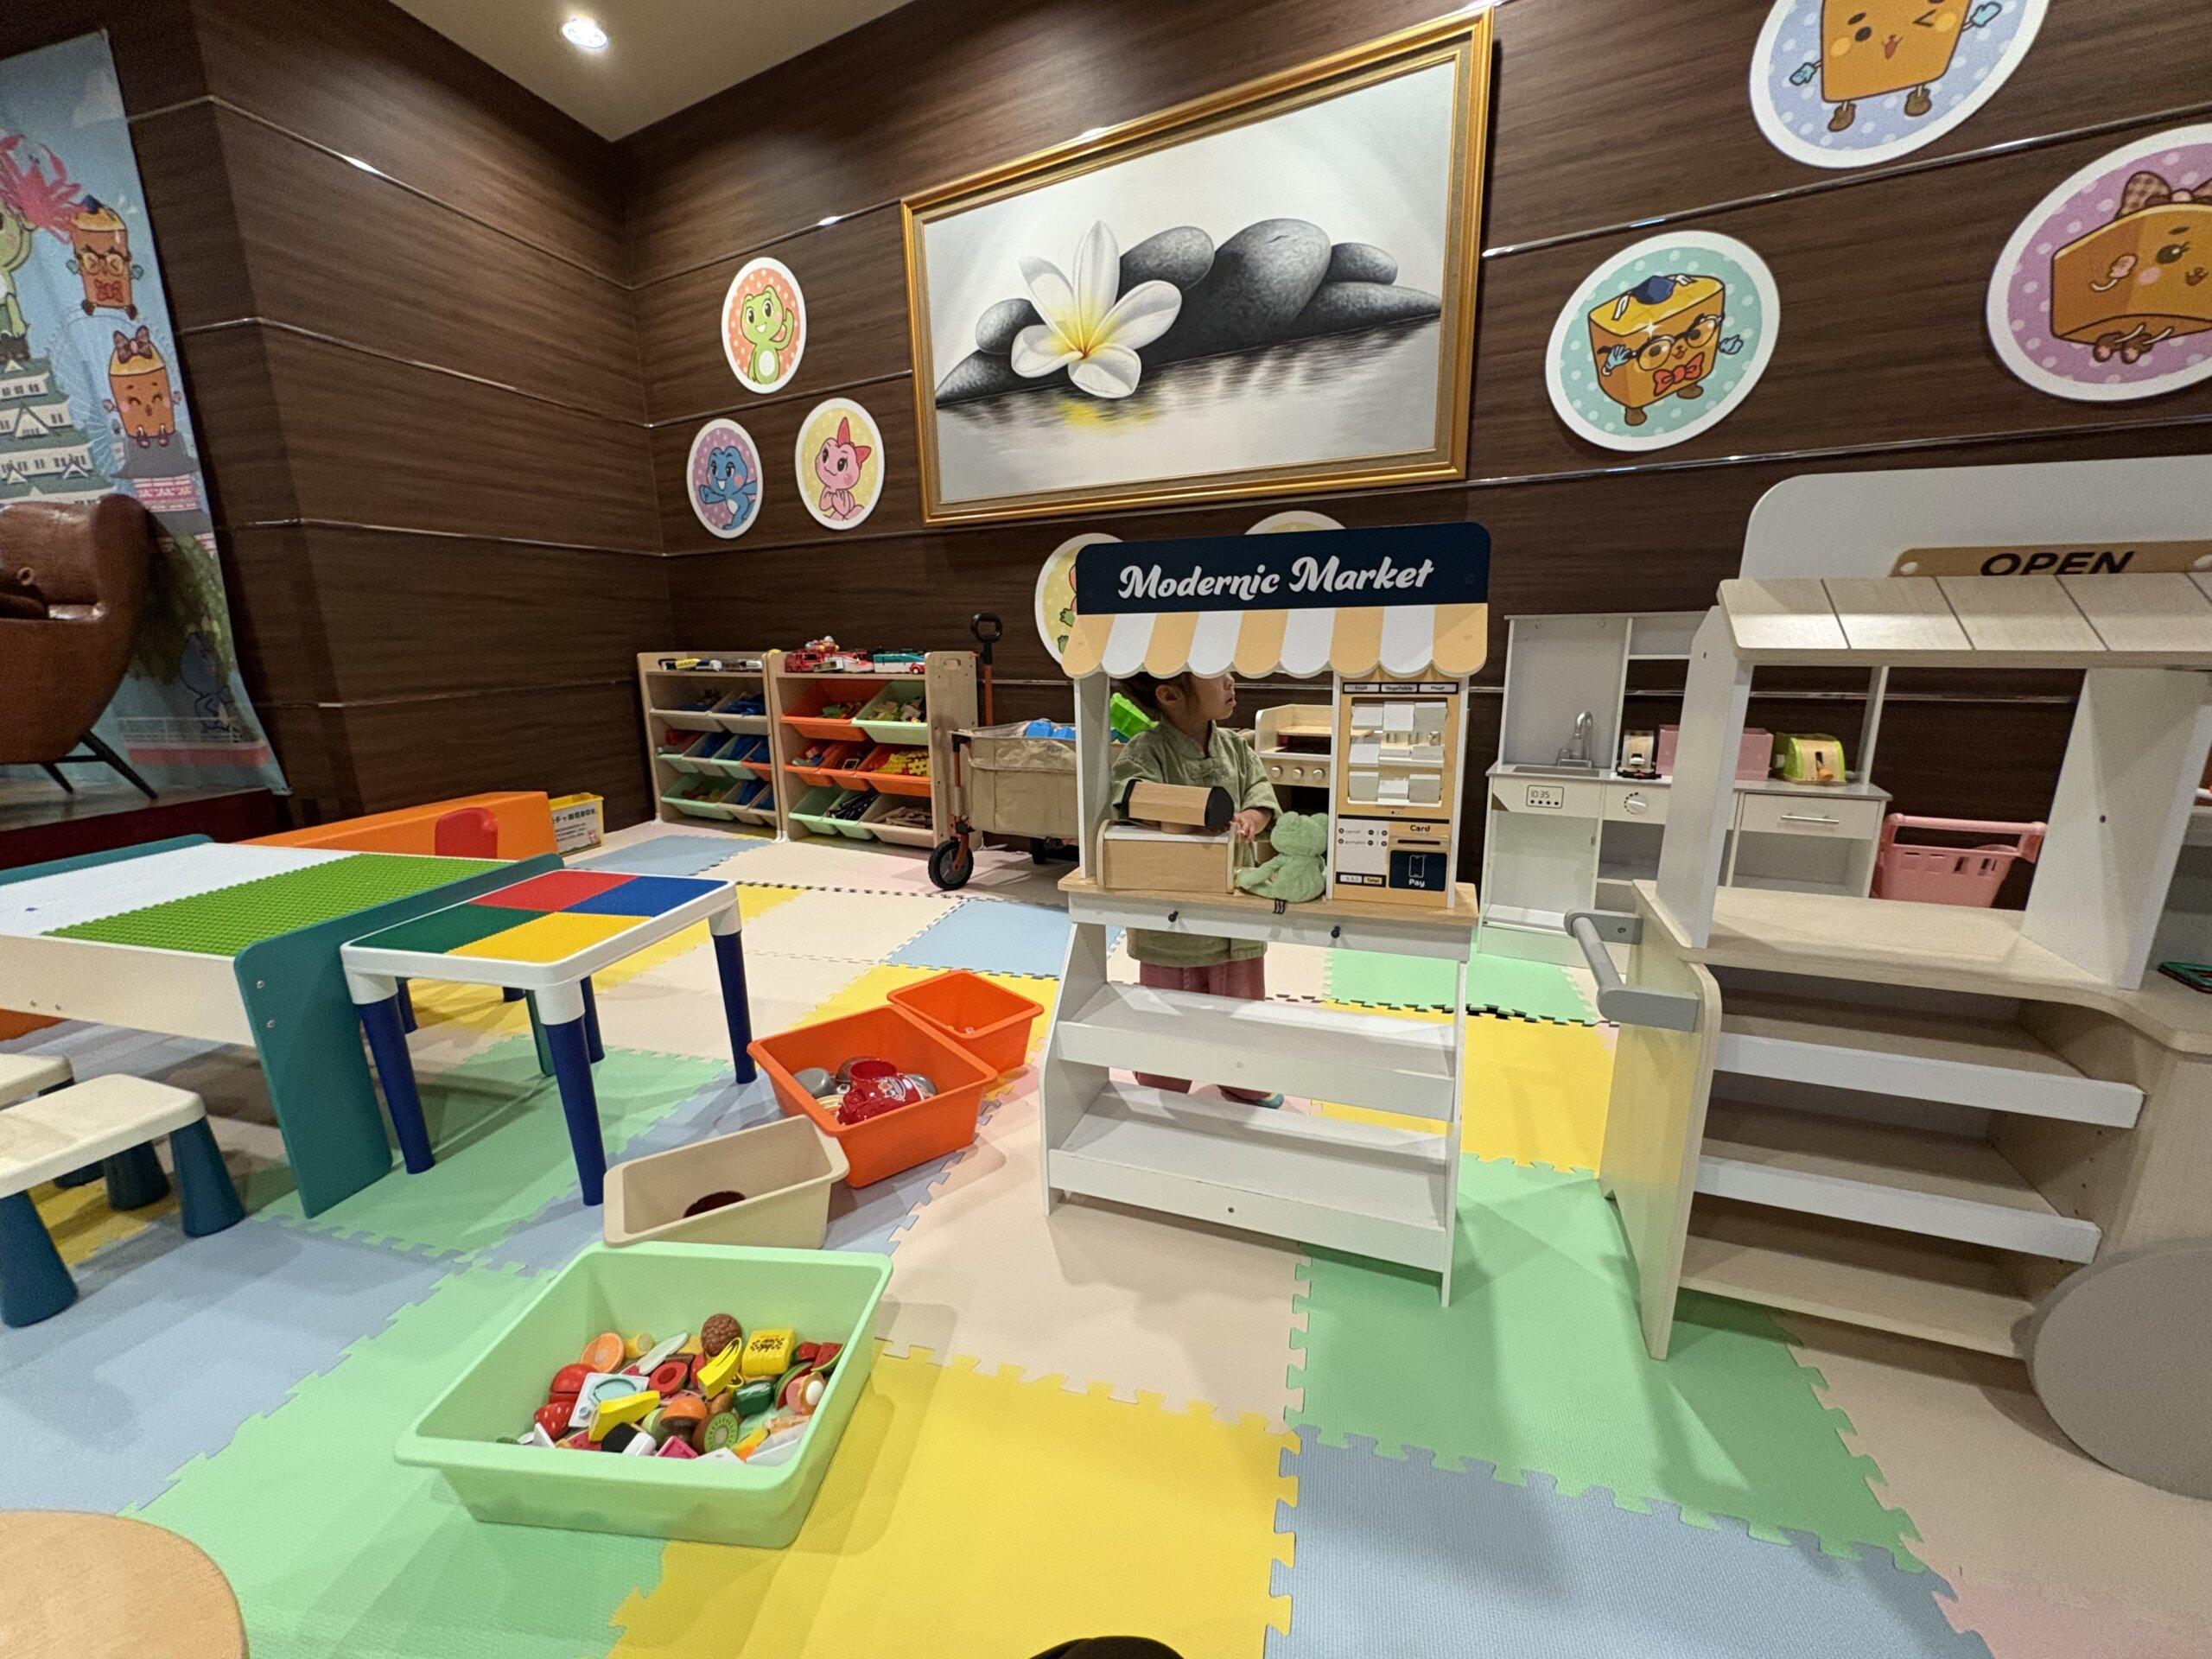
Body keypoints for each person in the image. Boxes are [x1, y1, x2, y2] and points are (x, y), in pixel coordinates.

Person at [1111, 670, 1281, 1108]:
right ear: (1170, 695)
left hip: (1234, 911)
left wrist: (1253, 816)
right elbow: (1130, 798)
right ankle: (1162, 1086)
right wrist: (1175, 816)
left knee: (1242, 1007)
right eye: (1216, 675)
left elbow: (1261, 793)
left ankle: (1243, 1079)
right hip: (1172, 918)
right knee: (1167, 1012)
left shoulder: (1237, 747)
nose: (1230, 682)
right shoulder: (1146, 750)